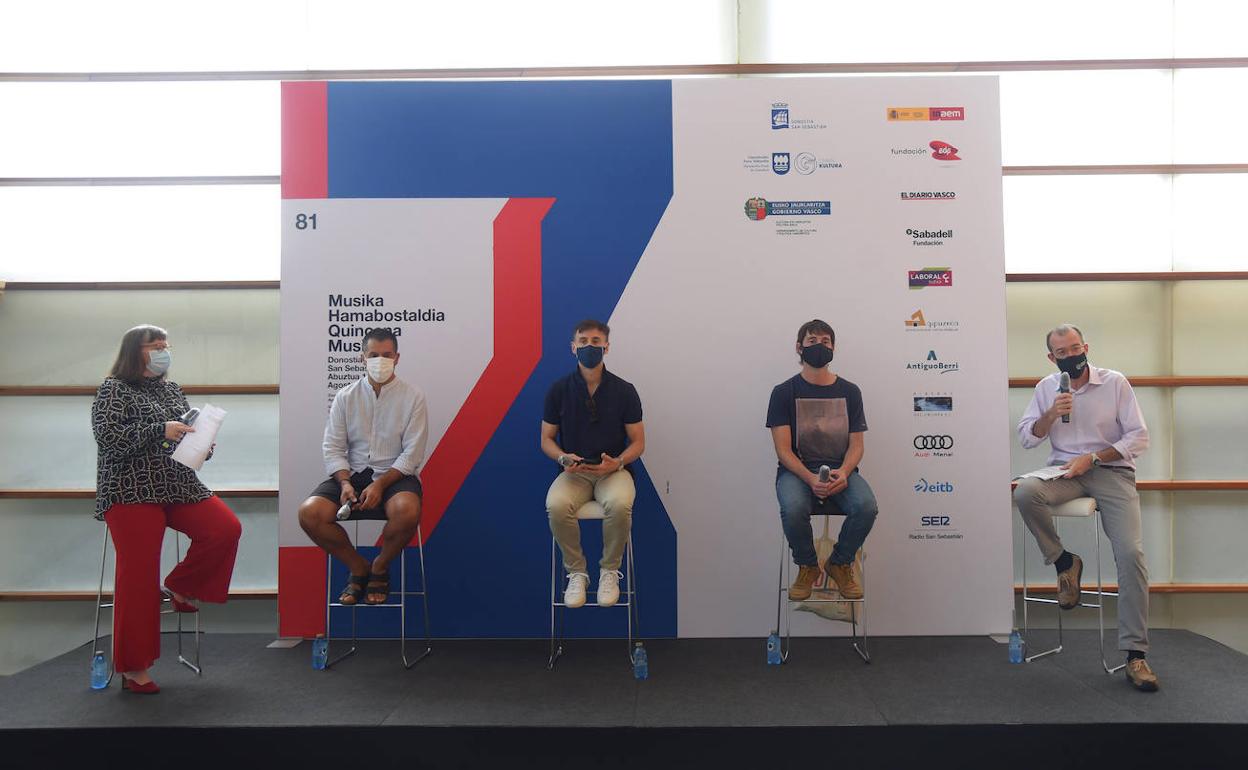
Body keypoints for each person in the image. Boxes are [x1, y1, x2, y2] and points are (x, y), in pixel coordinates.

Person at [91, 325, 242, 694]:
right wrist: (160, 429)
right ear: (134, 351)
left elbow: (182, 433)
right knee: (138, 576)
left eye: (166, 345)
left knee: (225, 528)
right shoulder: (113, 389)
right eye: (155, 346)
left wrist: (202, 443)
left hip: (177, 483)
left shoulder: (171, 388)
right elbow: (108, 438)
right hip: (130, 489)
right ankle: (133, 668)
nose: (163, 351)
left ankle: (181, 585)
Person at [1014, 324, 1158, 692]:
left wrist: (1093, 458)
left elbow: (1138, 437)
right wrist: (1050, 415)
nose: (1071, 356)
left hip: (1110, 471)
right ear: (1052, 358)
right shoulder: (1047, 388)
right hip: (1063, 470)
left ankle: (1135, 655)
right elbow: (1027, 437)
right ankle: (1064, 562)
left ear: (1086, 347)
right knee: (1025, 492)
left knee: (1130, 554)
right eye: (1062, 352)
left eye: (1076, 348)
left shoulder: (1115, 383)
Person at [298, 329, 427, 607]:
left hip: (395, 476)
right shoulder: (346, 396)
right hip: (352, 475)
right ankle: (358, 568)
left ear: (397, 358)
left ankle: (380, 567)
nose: (380, 360)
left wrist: (380, 484)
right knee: (310, 513)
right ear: (362, 358)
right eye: (373, 355)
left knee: (407, 511)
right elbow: (332, 447)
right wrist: (344, 483)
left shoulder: (413, 396)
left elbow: (412, 453)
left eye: (387, 355)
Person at [766, 320, 878, 602]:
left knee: (866, 506)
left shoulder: (851, 392)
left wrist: (844, 472)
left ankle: (840, 563)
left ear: (834, 348)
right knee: (792, 508)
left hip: (841, 471)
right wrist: (810, 478)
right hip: (797, 472)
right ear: (799, 347)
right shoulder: (783, 392)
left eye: (826, 341)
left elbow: (857, 445)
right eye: (812, 340)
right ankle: (807, 566)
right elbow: (783, 450)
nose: (819, 346)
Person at [541, 319, 645, 609]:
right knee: (556, 505)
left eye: (596, 342)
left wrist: (618, 462)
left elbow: (638, 442)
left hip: (613, 471)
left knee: (621, 504)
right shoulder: (558, 390)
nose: (590, 347)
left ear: (607, 347)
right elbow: (546, 439)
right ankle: (577, 573)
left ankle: (609, 571)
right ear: (573, 347)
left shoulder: (625, 391)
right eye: (583, 341)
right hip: (575, 473)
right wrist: (562, 457)